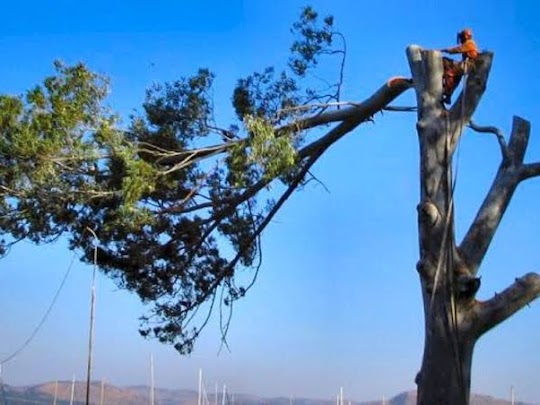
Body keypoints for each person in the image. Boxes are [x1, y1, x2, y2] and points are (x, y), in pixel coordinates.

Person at [440, 28, 479, 104]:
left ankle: (445, 87)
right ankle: (448, 95)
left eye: (462, 37)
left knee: (445, 62)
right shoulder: (469, 43)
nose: (461, 39)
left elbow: (457, 49)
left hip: (467, 66)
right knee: (456, 78)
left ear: (466, 36)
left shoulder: (470, 43)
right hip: (466, 65)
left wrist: (444, 50)